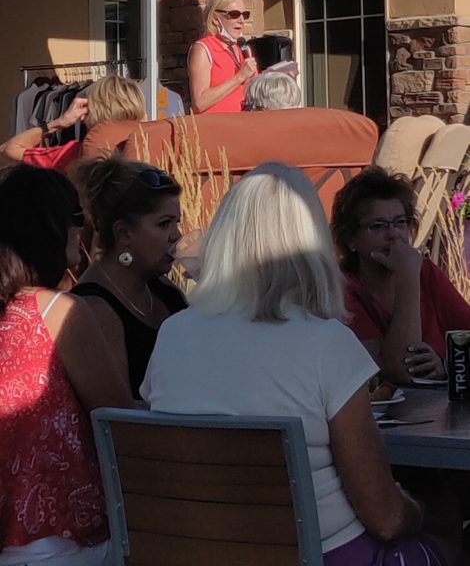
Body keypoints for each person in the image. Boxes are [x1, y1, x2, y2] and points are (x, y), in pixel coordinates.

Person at [142, 162, 454, 566]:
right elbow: (386, 518)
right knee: (447, 528)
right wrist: (423, 511)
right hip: (320, 553)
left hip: (198, 551)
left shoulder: (173, 334)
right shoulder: (325, 342)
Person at [0, 163, 133, 566]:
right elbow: (121, 418)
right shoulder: (58, 311)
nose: (83, 227)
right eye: (76, 215)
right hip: (62, 542)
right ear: (49, 228)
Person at [332, 166, 470, 383]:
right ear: (350, 239)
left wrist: (446, 365)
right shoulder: (343, 289)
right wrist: (407, 277)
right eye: (378, 226)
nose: (394, 234)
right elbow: (400, 371)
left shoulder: (426, 272)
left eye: (400, 222)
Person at [73, 158, 186, 398]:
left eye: (177, 223)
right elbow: (117, 410)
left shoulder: (161, 288)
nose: (176, 236)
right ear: (123, 233)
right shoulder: (94, 307)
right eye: (164, 224)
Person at [0, 74, 146, 172]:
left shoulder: (73, 155)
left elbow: (8, 150)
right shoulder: (151, 143)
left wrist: (59, 123)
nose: (82, 119)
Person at [188, 0, 257, 114]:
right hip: (216, 123)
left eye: (245, 15)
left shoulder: (243, 49)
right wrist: (239, 77)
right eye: (234, 14)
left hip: (244, 122)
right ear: (215, 18)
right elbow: (199, 103)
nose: (241, 20)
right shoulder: (203, 49)